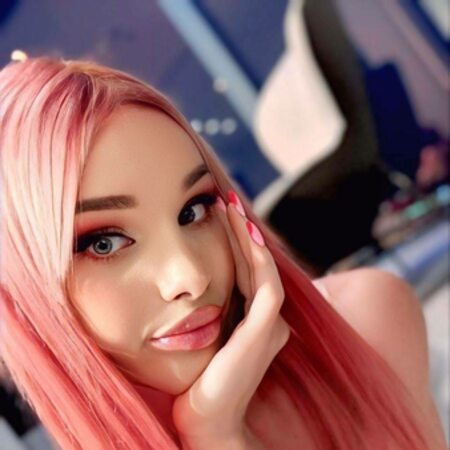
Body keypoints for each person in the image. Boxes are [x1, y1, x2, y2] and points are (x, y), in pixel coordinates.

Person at [0, 57, 446, 450]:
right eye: (104, 242)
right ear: (24, 295)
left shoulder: (365, 320)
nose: (191, 276)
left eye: (194, 210)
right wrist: (215, 433)